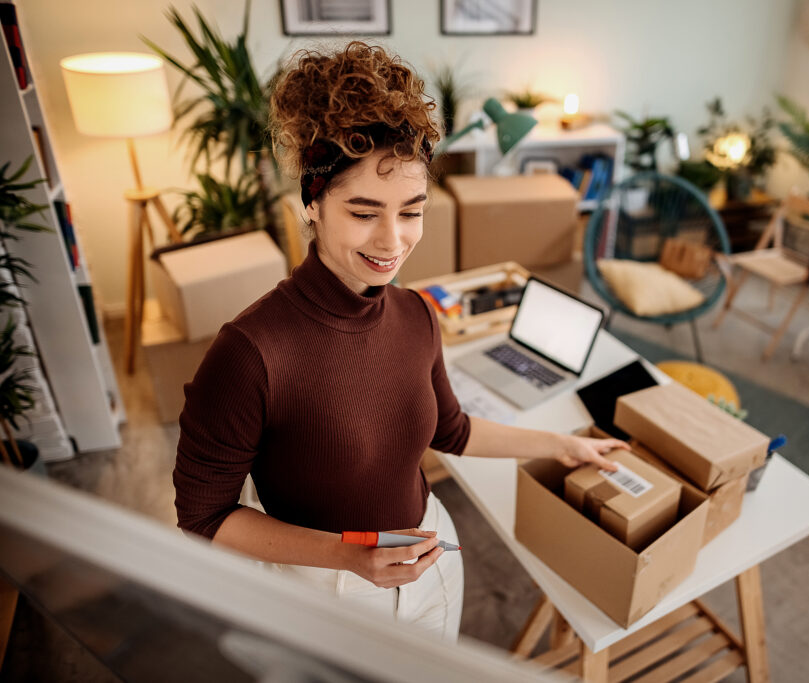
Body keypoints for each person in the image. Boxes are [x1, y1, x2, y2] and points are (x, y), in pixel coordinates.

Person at [172, 42, 626, 641]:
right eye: (364, 212)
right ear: (313, 202)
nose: (393, 240)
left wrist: (562, 446)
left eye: (411, 211)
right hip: (322, 587)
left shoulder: (415, 313)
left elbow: (451, 430)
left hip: (430, 557)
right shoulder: (249, 353)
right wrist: (347, 557)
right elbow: (203, 516)